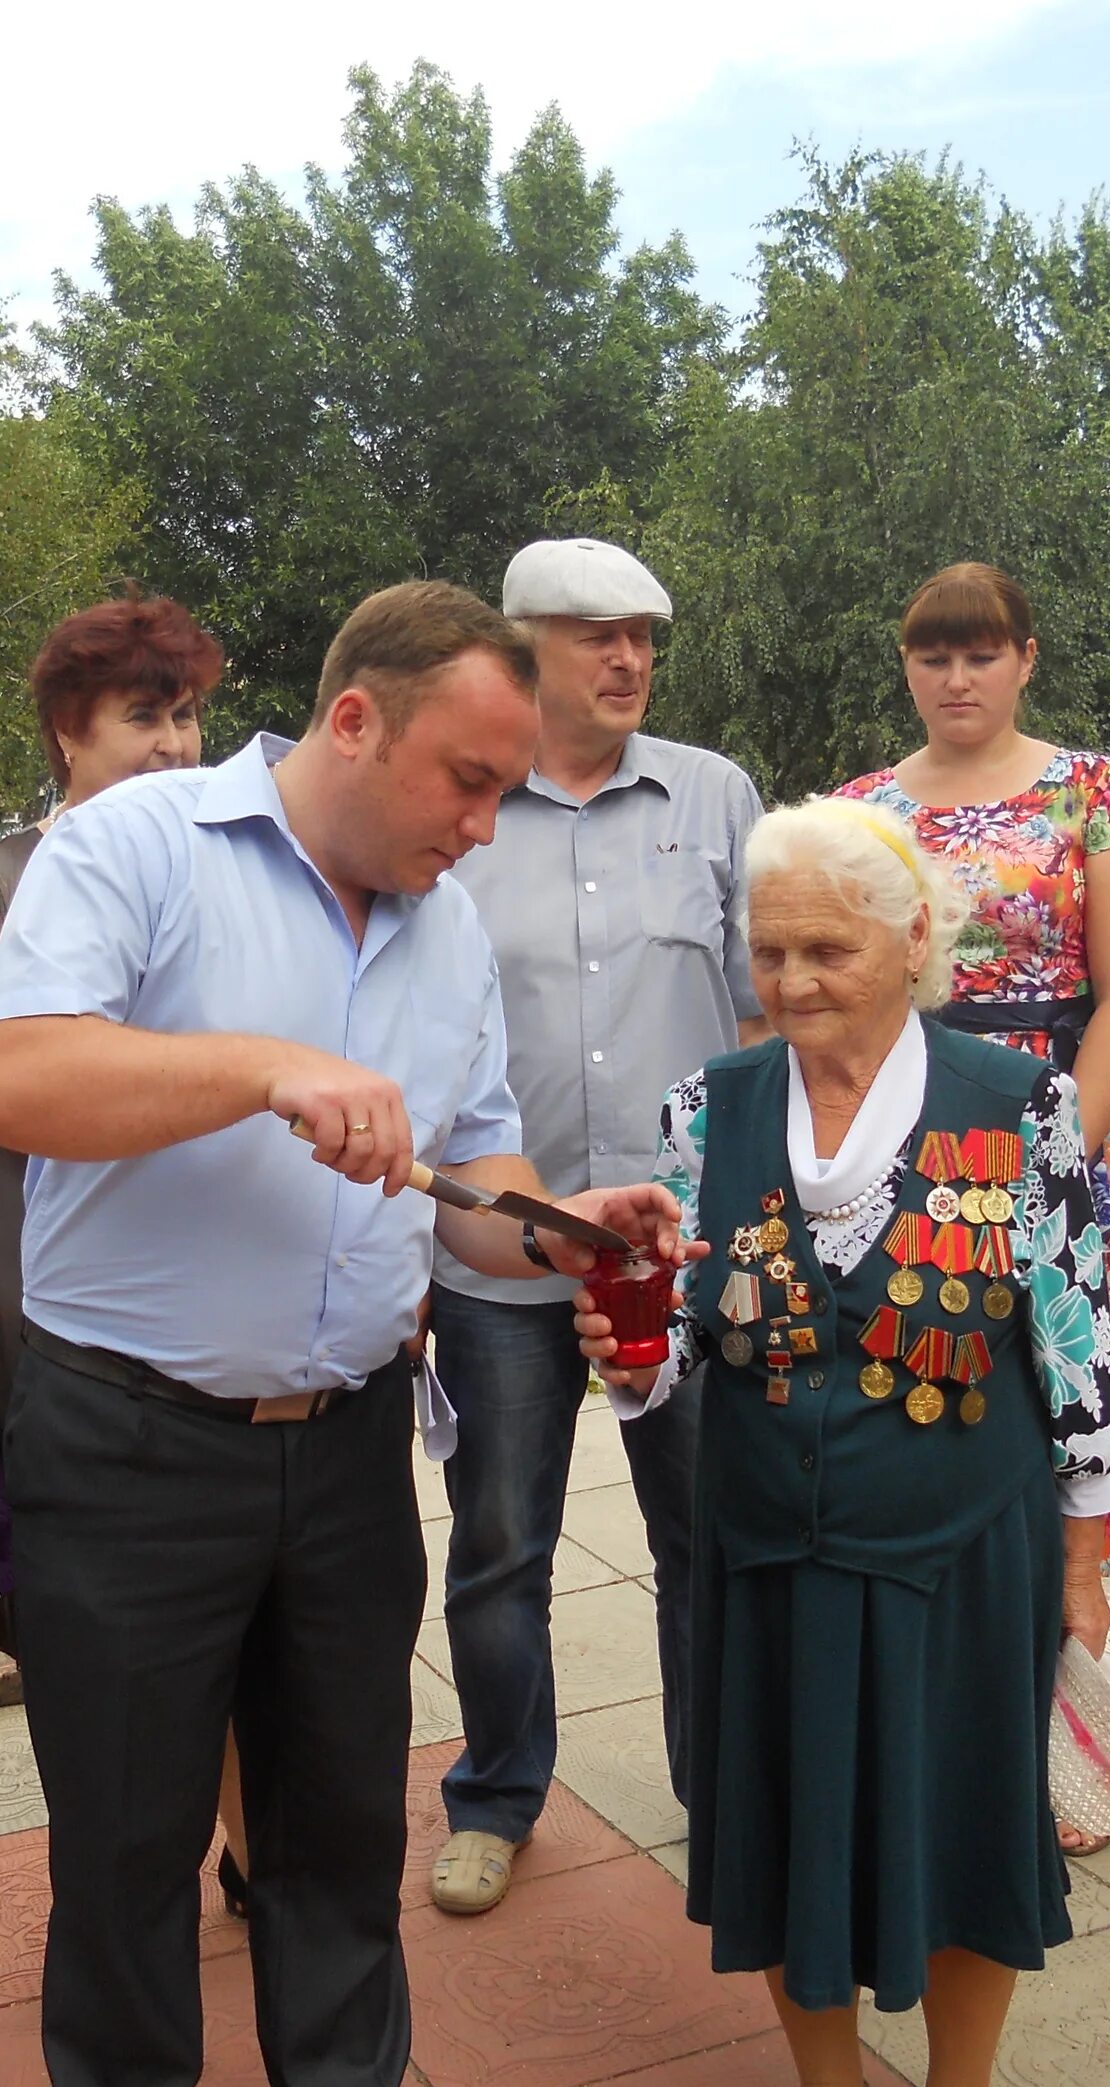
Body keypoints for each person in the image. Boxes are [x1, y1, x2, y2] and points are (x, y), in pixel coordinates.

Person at [0, 582, 687, 2087]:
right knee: (132, 1839)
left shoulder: (440, 922)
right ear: (355, 722)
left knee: (342, 1814)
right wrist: (260, 1067)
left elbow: (470, 1175)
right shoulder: (141, 844)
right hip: (133, 1441)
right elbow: (8, 1079)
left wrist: (568, 1225)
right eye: (469, 781)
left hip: (353, 1438)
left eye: (506, 792)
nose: (485, 826)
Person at [579, 796, 1110, 2087]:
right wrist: (626, 1341)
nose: (797, 979)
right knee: (783, 1808)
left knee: (962, 1814)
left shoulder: (1020, 1097)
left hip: (961, 1534)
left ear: (915, 940)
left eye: (829, 945)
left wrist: (1089, 1543)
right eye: (771, 952)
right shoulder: (713, 1104)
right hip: (766, 1536)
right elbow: (675, 1340)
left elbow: (1075, 1326)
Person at [0, 593, 248, 1905]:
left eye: (187, 713)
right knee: (106, 1639)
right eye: (139, 716)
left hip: (214, 1318)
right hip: (41, 1323)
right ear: (65, 738)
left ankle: (256, 1856)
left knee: (246, 1620)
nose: (171, 743)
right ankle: (134, 1873)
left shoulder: (240, 867)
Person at [419, 536, 764, 1915]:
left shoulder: (714, 796)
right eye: (593, 635)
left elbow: (758, 1015)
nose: (626, 661)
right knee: (502, 1540)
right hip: (507, 1254)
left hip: (679, 1254)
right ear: (524, 652)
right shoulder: (464, 810)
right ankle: (498, 1793)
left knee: (711, 1539)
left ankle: (724, 1791)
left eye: (643, 637)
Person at [835, 563, 1110, 1855]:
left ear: (1026, 656)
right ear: (908, 666)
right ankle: (944, 1727)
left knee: (1087, 1414)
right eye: (933, 655)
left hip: (1073, 1127)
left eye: (980, 653)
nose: (956, 677)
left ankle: (1093, 1735)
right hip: (917, 1138)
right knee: (930, 1407)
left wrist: (1056, 1158)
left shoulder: (1098, 789)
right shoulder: (859, 809)